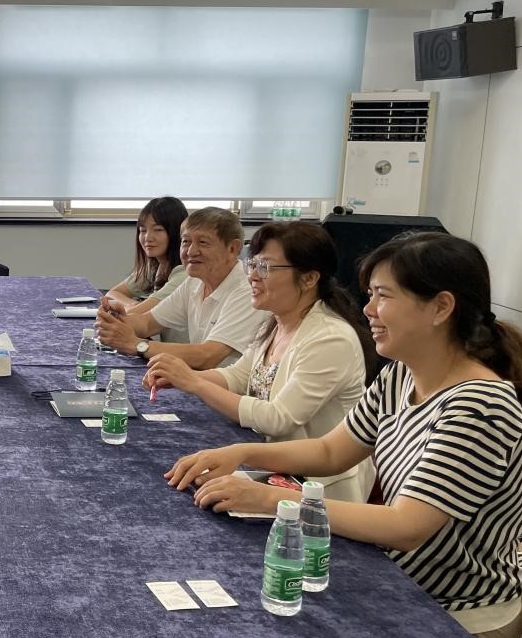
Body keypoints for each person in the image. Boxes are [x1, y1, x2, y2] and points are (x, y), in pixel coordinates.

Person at [167, 232, 522, 638]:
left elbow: (407, 526)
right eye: (370, 295)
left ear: (441, 307)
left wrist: (270, 499)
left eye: (383, 296)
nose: (368, 309)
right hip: (401, 586)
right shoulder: (401, 375)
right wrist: (240, 453)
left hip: (457, 622)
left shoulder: (479, 405)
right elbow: (332, 451)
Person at [145, 221, 377, 501]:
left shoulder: (330, 339)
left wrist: (194, 383)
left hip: (320, 491)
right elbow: (238, 376)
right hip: (275, 468)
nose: (252, 276)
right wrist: (181, 377)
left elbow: (278, 418)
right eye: (252, 265)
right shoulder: (276, 321)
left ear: (309, 279)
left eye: (265, 267)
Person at [95, 206, 262, 368]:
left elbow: (207, 356)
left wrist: (136, 345)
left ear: (233, 249)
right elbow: (147, 323)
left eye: (203, 242)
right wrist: (116, 322)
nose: (191, 251)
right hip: (198, 380)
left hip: (224, 386)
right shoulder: (194, 282)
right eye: (186, 242)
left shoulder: (248, 290)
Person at [103, 198, 189, 341]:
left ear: (177, 233)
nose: (148, 237)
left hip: (182, 352)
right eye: (143, 230)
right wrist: (131, 304)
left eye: (158, 230)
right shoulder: (155, 266)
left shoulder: (184, 274)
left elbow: (134, 315)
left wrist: (130, 307)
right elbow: (112, 294)